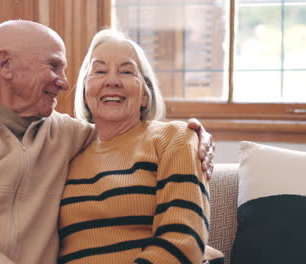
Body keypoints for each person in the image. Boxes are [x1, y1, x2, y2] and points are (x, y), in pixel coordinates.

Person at [0, 20, 215, 264]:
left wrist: (193, 135)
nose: (64, 83)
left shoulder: (64, 134)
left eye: (127, 72)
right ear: (6, 64)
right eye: (54, 67)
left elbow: (123, 138)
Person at [58, 29, 224, 263]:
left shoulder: (174, 137)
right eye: (100, 71)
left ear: (145, 94)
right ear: (86, 92)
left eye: (126, 71)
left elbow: (184, 239)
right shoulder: (67, 150)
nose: (112, 81)